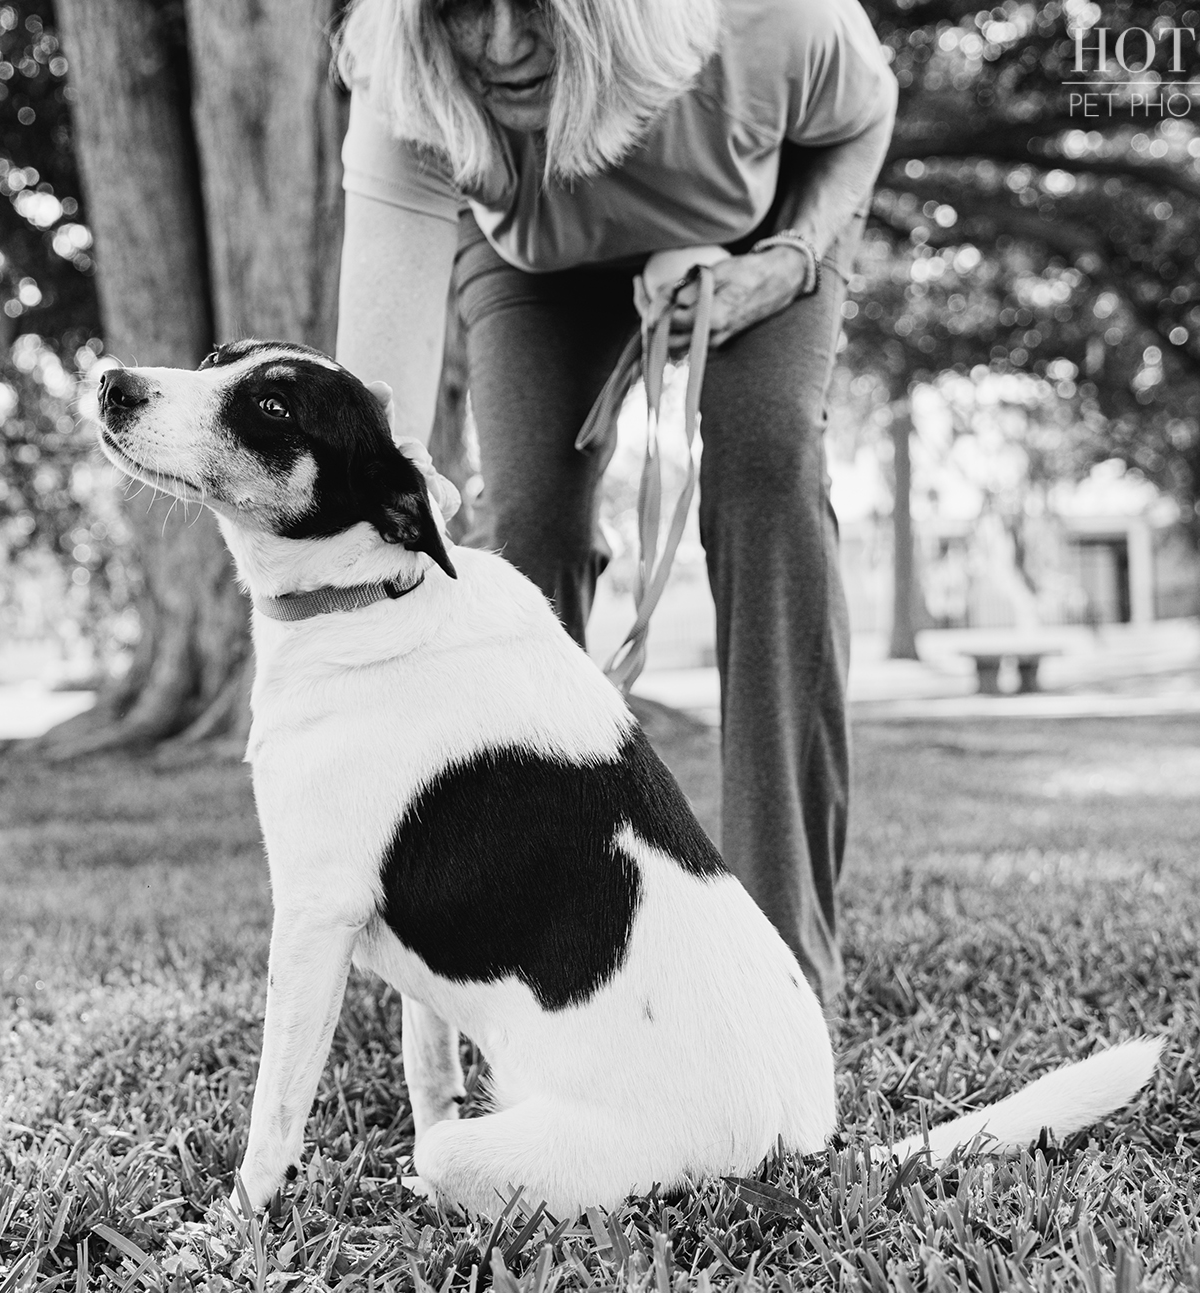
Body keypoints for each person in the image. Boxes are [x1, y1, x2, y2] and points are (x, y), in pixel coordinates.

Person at [331, 0, 898, 1005]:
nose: (502, 47)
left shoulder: (769, 23)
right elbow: (372, 416)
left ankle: (782, 964)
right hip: (533, 264)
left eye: (539, 10)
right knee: (523, 529)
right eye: (464, 8)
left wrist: (798, 255)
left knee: (764, 467)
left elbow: (862, 116)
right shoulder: (404, 77)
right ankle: (518, 945)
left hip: (756, 240)